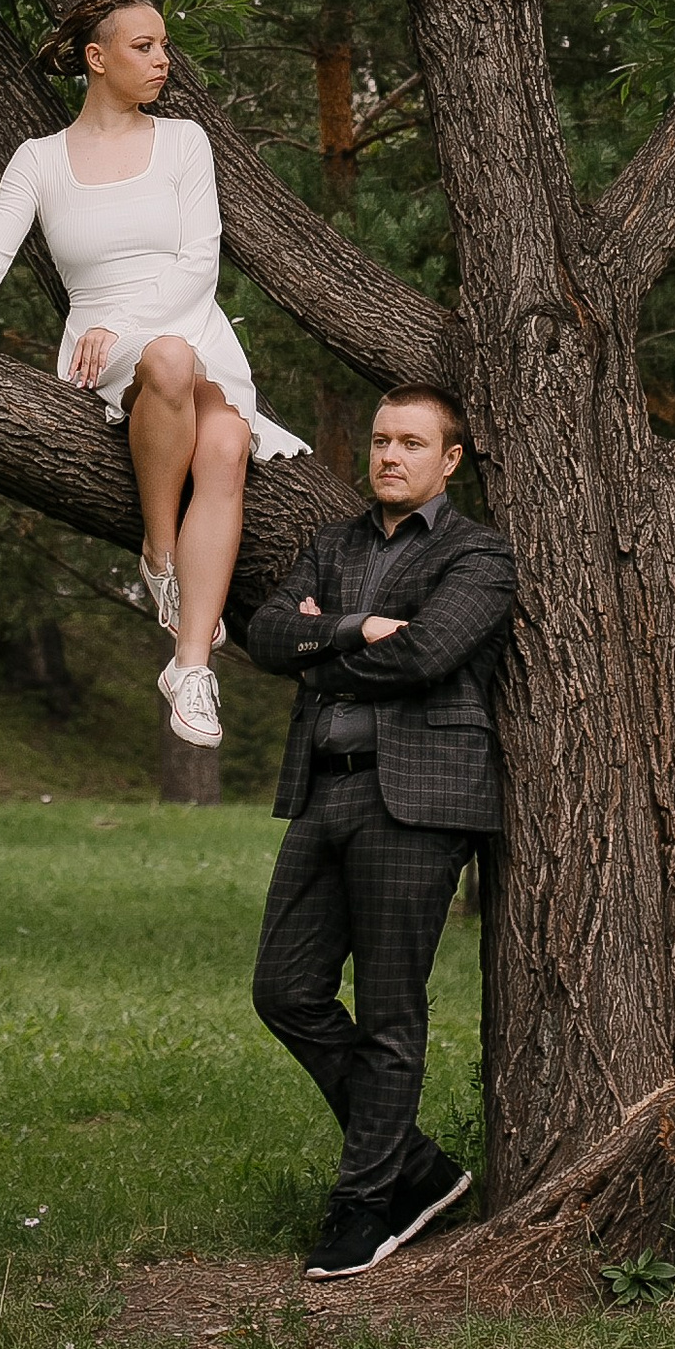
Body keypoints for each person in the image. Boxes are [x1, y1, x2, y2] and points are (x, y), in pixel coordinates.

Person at [0, 0, 307, 749]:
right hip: (111, 345)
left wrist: (128, 324)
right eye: (144, 47)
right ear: (96, 59)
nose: (163, 59)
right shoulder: (40, 161)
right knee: (167, 364)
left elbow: (202, 261)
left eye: (165, 45)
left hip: (184, 318)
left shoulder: (185, 143)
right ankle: (161, 551)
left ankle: (191, 666)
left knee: (228, 445)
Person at [245, 389, 518, 1279]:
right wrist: (352, 625)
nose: (389, 455)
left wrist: (319, 648)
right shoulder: (335, 543)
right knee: (285, 990)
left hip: (421, 801)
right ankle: (412, 1165)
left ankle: (368, 1203)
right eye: (379, 440)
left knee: (391, 1010)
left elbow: (427, 655)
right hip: (324, 791)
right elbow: (261, 632)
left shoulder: (477, 553)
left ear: (451, 460)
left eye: (411, 443)